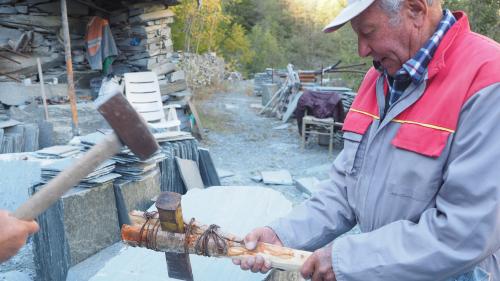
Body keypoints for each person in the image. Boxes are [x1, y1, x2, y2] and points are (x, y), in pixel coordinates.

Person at [233, 0, 500, 280]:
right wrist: (282, 234)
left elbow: (467, 231)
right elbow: (347, 188)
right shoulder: (378, 79)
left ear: (416, 11)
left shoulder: (487, 78)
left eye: (369, 32)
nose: (361, 50)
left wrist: (350, 259)